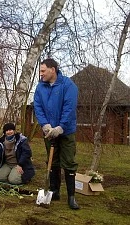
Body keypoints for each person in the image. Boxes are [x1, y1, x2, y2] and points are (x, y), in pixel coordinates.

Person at [34, 58, 80, 210]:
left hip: (66, 131)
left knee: (68, 162)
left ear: (52, 69)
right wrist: (45, 125)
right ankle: (55, 191)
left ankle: (71, 197)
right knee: (52, 161)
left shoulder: (68, 85)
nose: (41, 74)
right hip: (49, 132)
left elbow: (69, 108)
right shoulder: (40, 87)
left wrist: (61, 127)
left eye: (43, 71)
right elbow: (38, 107)